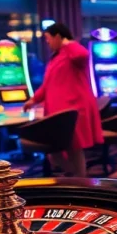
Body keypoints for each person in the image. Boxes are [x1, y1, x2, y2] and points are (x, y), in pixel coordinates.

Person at [23, 23, 102, 177]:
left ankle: (79, 181)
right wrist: (33, 100)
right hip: (57, 111)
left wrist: (67, 42)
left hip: (73, 109)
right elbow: (47, 85)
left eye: (48, 39)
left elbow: (83, 55)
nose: (47, 43)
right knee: (56, 152)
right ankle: (75, 178)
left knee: (73, 148)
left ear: (58, 36)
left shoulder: (72, 53)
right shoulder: (56, 57)